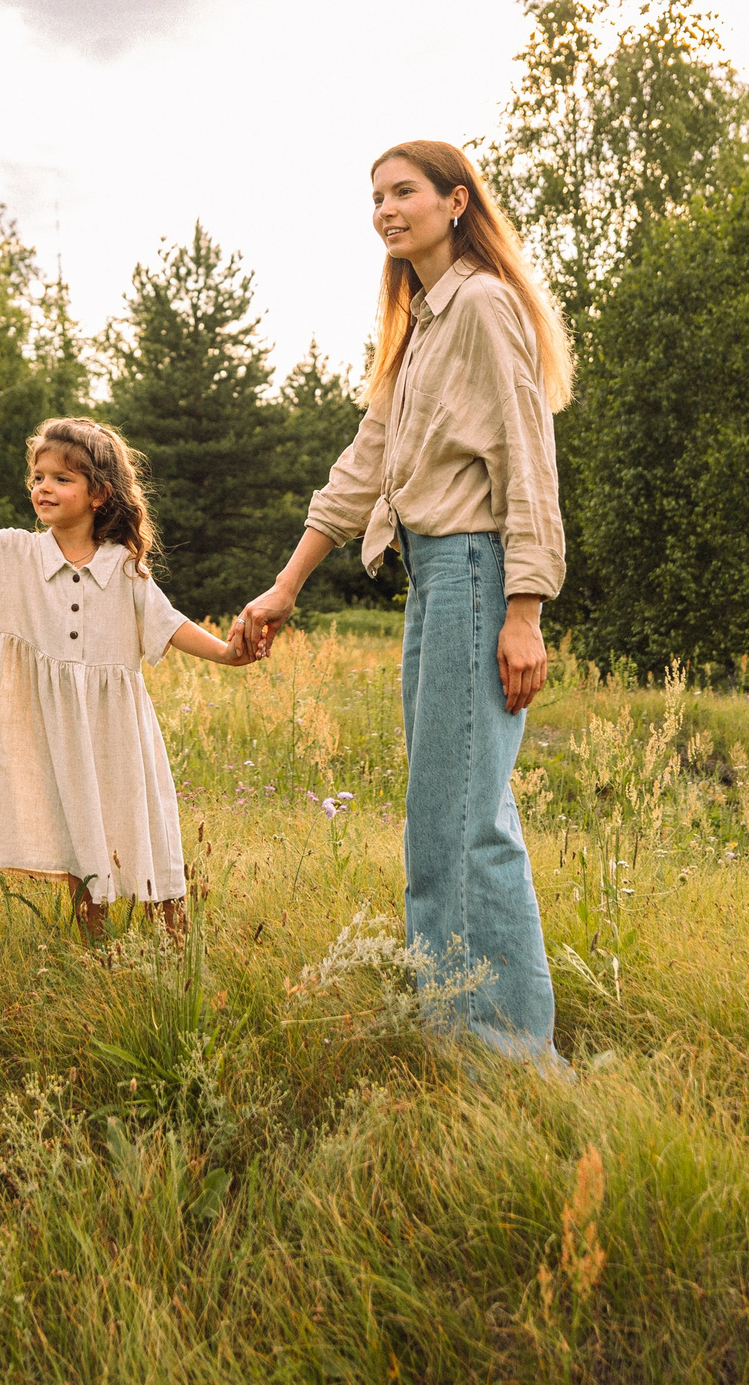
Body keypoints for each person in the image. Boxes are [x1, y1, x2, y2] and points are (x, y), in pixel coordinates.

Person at [230, 141, 574, 1060]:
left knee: (467, 822)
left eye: (404, 191)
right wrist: (287, 583)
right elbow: (363, 466)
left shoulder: (486, 307)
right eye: (375, 196)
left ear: (456, 202)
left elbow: (527, 459)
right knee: (441, 818)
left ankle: (504, 1058)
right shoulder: (419, 326)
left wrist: (526, 609)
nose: (385, 209)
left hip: (475, 575)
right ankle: (455, 1025)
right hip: (434, 580)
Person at [0, 417, 250, 940]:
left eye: (61, 479)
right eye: (37, 477)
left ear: (99, 494)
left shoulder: (124, 569)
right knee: (76, 828)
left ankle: (174, 942)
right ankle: (94, 945)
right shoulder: (19, 555)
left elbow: (172, 627)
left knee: (143, 825)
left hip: (117, 730)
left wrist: (227, 654)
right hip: (56, 731)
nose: (43, 488)